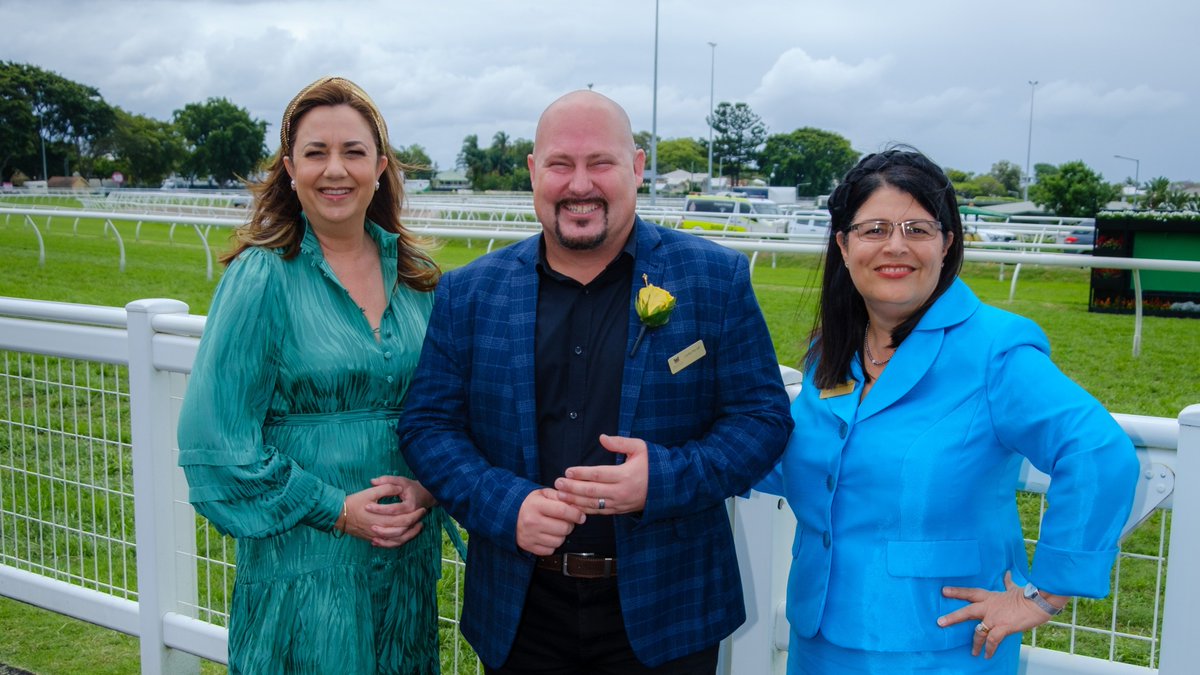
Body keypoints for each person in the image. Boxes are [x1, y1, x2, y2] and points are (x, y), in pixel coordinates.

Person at [397, 90, 793, 673]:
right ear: (535, 173)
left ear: (635, 167)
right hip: (520, 610)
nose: (579, 184)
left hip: (670, 612)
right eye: (561, 164)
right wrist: (509, 507)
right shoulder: (469, 292)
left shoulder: (714, 278)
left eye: (600, 163)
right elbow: (429, 426)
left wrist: (661, 481)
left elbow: (761, 420)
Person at [756, 148, 1140, 673]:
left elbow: (1099, 451)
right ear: (843, 246)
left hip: (943, 643)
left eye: (917, 228)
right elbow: (812, 467)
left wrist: (1043, 595)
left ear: (947, 243)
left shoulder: (996, 351)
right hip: (820, 635)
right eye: (874, 230)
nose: (896, 246)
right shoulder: (832, 350)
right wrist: (704, 450)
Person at [177, 76, 454, 674]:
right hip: (302, 560)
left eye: (353, 152)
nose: (336, 170)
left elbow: (450, 412)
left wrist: (431, 487)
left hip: (403, 564)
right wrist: (335, 509)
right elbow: (215, 442)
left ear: (380, 167)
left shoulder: (418, 281)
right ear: (289, 167)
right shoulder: (262, 277)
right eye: (315, 152)